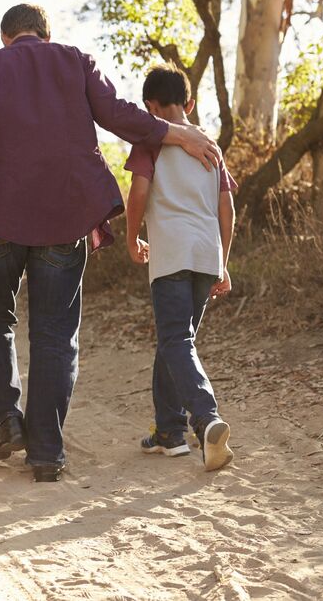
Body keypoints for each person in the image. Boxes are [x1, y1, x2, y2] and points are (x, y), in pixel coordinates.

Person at [0, 4, 223, 482]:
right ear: (46, 36)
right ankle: (47, 453)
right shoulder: (75, 61)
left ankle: (7, 420)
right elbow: (117, 116)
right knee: (54, 334)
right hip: (64, 216)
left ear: (6, 37)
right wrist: (178, 134)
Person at [124, 64, 236, 471]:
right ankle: (169, 433)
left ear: (149, 106)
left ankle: (206, 419)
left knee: (176, 341)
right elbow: (228, 209)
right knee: (176, 341)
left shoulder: (150, 140)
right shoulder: (212, 148)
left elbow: (139, 190)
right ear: (189, 103)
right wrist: (222, 261)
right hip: (206, 255)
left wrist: (131, 236)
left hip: (171, 254)